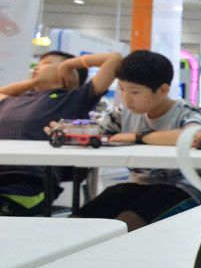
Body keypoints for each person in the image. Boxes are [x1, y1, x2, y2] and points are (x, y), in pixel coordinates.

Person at [71, 50, 201, 230]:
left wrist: (138, 137)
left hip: (184, 187)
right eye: (122, 89)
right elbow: (97, 134)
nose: (127, 99)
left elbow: (194, 137)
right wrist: (68, 130)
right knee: (79, 220)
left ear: (163, 90)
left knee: (126, 224)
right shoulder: (123, 113)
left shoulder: (187, 112)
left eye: (135, 92)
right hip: (137, 185)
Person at [0, 51, 121, 216]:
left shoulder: (73, 98)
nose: (37, 68)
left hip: (26, 185)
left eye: (47, 63)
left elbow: (114, 59)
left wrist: (68, 65)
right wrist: (34, 82)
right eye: (38, 64)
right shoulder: (15, 100)